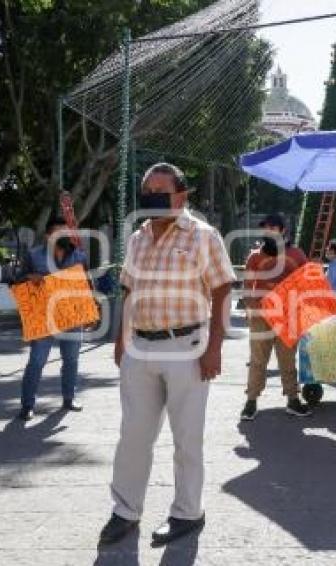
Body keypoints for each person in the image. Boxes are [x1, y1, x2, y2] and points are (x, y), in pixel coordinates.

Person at [99, 163, 235, 546]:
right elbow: (128, 290)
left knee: (187, 438)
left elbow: (224, 290)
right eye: (148, 191)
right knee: (133, 436)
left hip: (188, 346)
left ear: (181, 194)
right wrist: (121, 340)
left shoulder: (203, 236)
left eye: (161, 190)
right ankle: (125, 511)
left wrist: (214, 349)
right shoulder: (138, 238)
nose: (153, 197)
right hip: (140, 347)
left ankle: (187, 513)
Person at [240, 213, 312, 420]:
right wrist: (250, 308)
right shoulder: (255, 256)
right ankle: (251, 401)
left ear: (282, 230)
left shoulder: (297, 254)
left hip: (288, 317)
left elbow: (308, 282)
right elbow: (247, 286)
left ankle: (292, 400)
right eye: (265, 227)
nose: (268, 231)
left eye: (273, 227)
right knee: (257, 360)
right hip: (261, 317)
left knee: (288, 361)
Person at [16, 215, 88, 421]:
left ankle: (69, 398)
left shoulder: (79, 256)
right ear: (48, 235)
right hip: (42, 316)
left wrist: (90, 313)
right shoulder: (33, 255)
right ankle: (27, 405)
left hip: (71, 315)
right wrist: (30, 277)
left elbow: (86, 285)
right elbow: (17, 279)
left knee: (71, 359)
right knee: (37, 361)